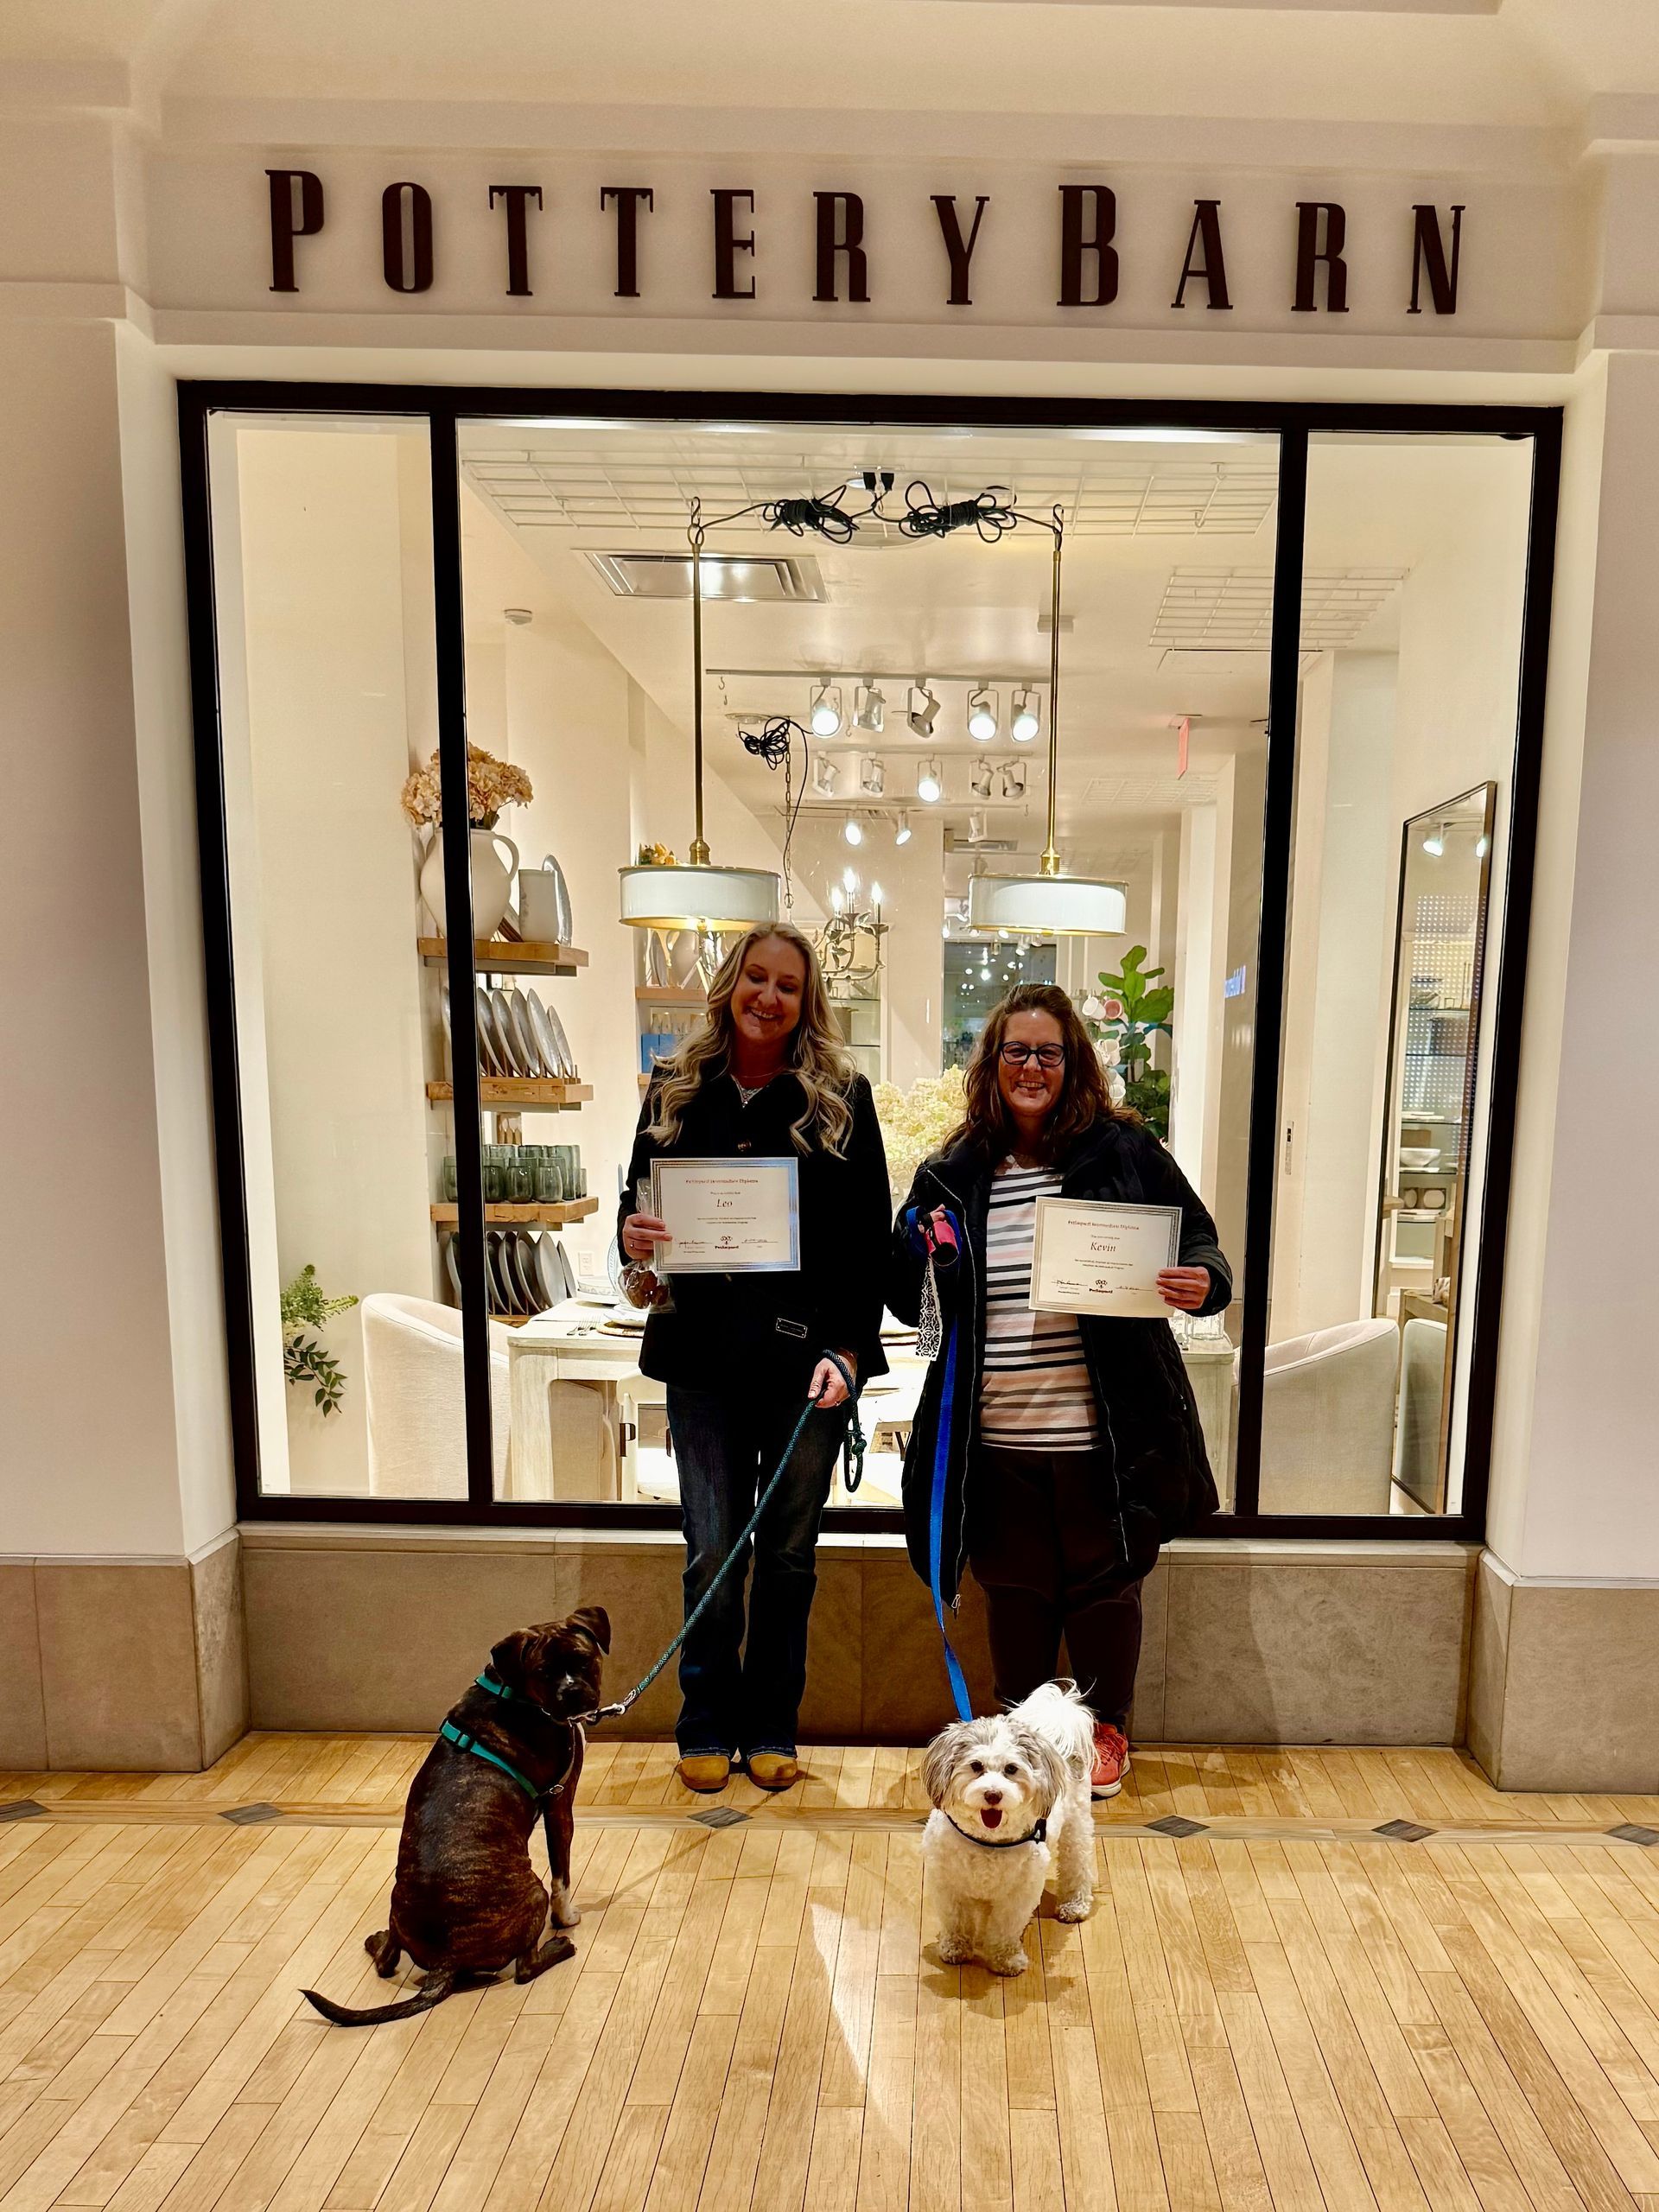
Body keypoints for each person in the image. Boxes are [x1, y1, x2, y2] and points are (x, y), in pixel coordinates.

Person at [887, 982, 1230, 1798]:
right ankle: (1020, 1739)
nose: (1032, 1066)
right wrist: (915, 1251)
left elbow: (1203, 1243)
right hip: (996, 1432)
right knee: (1015, 1592)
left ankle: (1106, 1730)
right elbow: (907, 1298)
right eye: (1017, 1051)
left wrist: (1202, 1282)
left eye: (1049, 1051)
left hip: (1104, 1431)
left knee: (1107, 1590)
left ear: (1073, 1060)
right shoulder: (952, 1170)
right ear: (993, 1063)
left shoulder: (1124, 1153)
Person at [619, 923, 891, 1794]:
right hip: (701, 1363)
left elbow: (868, 1246)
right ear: (730, 982)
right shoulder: (674, 1087)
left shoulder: (840, 1094)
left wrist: (850, 1352)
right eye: (756, 978)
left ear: (808, 1002)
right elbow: (638, 1229)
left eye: (788, 985)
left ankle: (772, 1723)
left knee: (787, 1552)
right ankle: (704, 1723)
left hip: (807, 1367)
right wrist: (635, 1251)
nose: (768, 997)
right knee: (710, 1549)